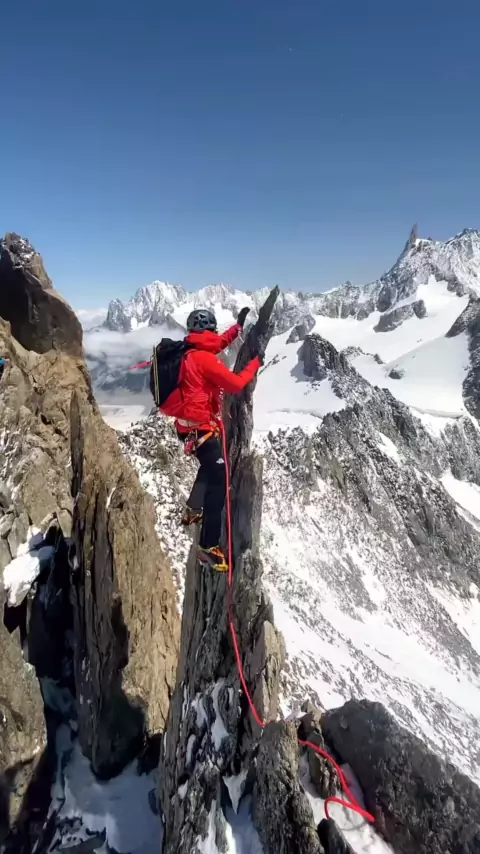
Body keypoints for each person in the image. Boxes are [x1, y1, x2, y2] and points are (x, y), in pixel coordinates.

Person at [163, 306, 262, 571]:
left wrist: (237, 329)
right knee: (219, 475)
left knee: (210, 465)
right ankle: (208, 546)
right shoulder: (205, 360)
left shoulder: (189, 349)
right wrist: (255, 364)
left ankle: (194, 508)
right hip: (201, 429)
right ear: (210, 328)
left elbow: (215, 344)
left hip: (187, 427)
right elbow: (235, 384)